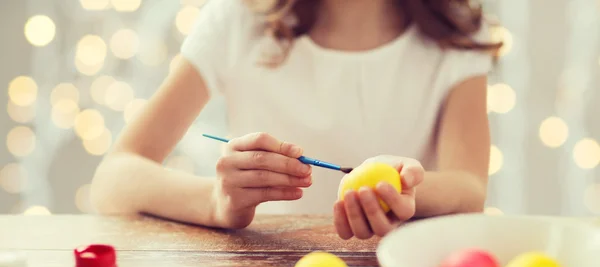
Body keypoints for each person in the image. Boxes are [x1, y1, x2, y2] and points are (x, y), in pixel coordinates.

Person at [90, 0, 501, 240]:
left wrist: (406, 189)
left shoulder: (458, 35)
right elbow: (113, 180)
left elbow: (469, 188)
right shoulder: (238, 19)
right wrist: (217, 202)